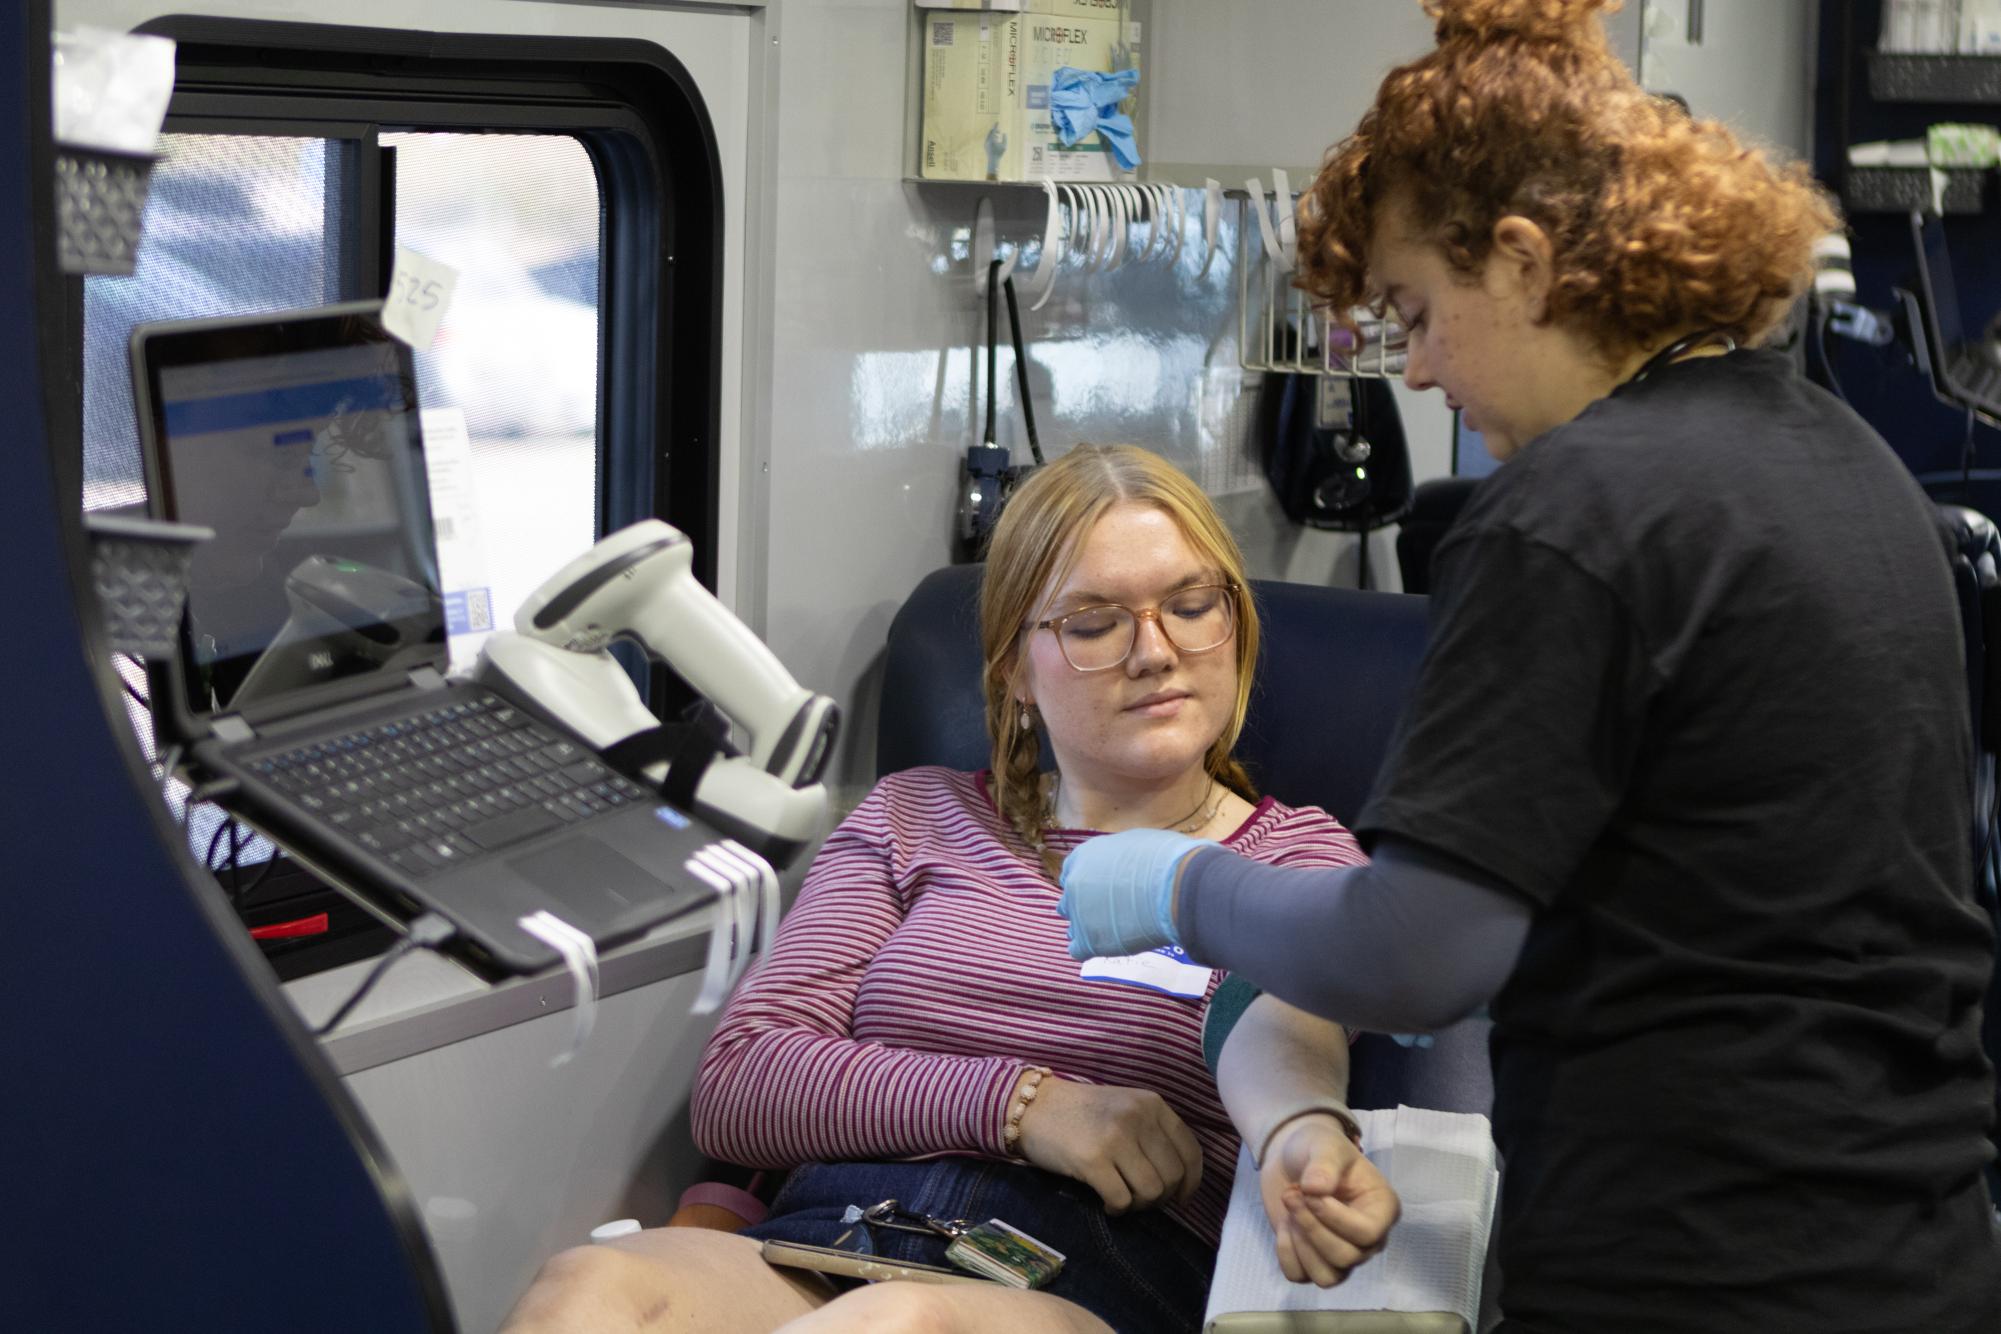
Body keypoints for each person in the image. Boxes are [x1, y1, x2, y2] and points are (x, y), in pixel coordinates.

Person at [1056, 3, 2001, 1332]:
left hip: (1692, 1269)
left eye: (1416, 311)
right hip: (1914, 1245)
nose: (1425, 369)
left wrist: (1176, 883)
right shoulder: (1843, 464)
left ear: (1522, 260)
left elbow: (1413, 954)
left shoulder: (1567, 514)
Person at [500, 444, 1399, 1334]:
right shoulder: (914, 817)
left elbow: (1285, 1034)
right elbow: (742, 1082)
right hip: (830, 1238)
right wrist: (1027, 1107)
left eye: (1193, 606)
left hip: (1090, 1278)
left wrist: (1302, 1136)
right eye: (1093, 624)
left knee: (898, 1326)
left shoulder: (1293, 858)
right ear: (1014, 672)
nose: (1154, 652)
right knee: (588, 1287)